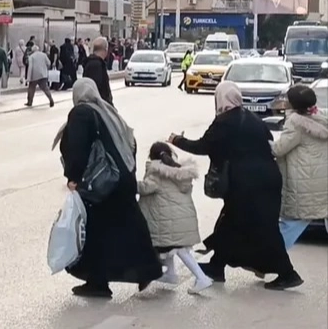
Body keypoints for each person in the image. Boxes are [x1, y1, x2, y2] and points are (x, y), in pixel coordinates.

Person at [169, 81, 303, 290]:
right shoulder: (252, 118)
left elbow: (203, 146)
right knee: (231, 223)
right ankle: (216, 266)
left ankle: (288, 273)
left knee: (263, 229)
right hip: (267, 179)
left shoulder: (224, 122)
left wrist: (177, 140)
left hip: (248, 184)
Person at [53, 78, 162, 298]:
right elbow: (130, 142)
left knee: (95, 230)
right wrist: (128, 172)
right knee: (129, 225)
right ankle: (146, 269)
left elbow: (77, 148)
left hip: (103, 183)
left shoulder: (82, 113)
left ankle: (98, 282)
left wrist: (73, 177)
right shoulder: (108, 111)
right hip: (122, 179)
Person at [138, 142, 213, 294]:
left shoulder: (156, 172)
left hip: (168, 218)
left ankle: (201, 278)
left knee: (178, 248)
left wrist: (130, 184)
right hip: (181, 217)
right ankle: (170, 274)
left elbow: (146, 188)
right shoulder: (180, 170)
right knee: (171, 245)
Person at [271, 84, 328, 249]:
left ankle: (270, 258)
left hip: (306, 184)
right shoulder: (323, 117)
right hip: (323, 182)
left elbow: (279, 149)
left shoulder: (296, 124)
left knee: (290, 225)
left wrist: (264, 143)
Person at [83, 37, 113, 105]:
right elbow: (98, 87)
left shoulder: (89, 62)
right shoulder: (97, 65)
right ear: (105, 50)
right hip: (99, 105)